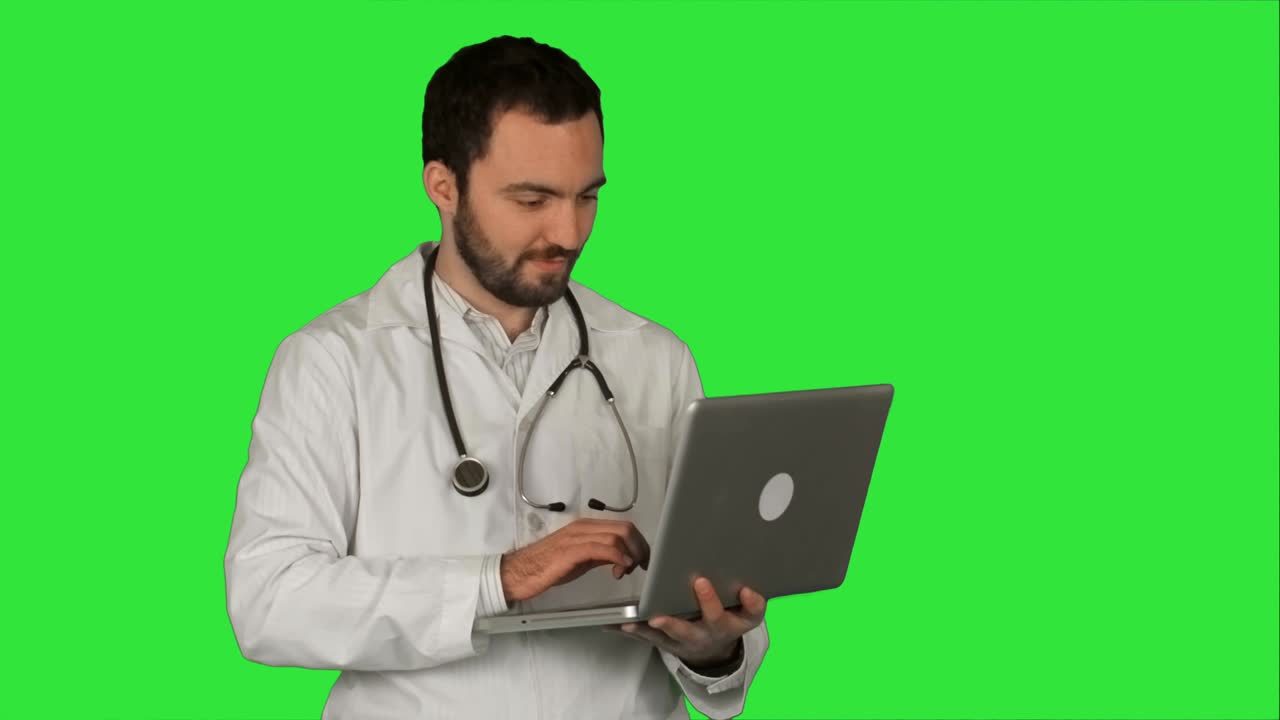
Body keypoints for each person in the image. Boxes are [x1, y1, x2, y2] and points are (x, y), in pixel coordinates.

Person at [224, 35, 769, 720]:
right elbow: (269, 600)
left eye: (586, 196)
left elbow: (710, 590)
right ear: (443, 186)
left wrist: (715, 650)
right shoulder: (332, 360)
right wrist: (499, 579)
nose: (568, 232)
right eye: (532, 199)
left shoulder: (654, 358)